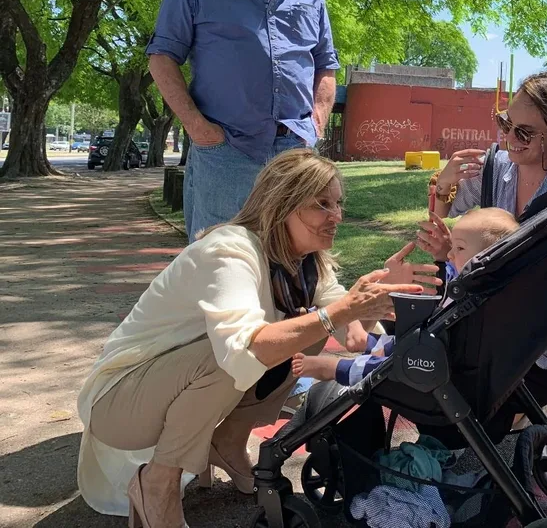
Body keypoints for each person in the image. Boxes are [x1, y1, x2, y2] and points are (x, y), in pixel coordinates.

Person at [76, 149, 440, 527]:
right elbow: (245, 347)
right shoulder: (230, 249)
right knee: (244, 347)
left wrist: (380, 295)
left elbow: (354, 336)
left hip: (168, 390)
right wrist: (340, 311)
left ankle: (229, 441)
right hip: (118, 403)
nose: (337, 216)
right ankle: (158, 482)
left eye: (338, 203)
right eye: (322, 204)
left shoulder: (308, 265)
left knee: (305, 332)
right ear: (282, 205)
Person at [146, 0, 339, 242]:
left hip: (295, 153)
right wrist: (199, 129)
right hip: (227, 151)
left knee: (295, 257)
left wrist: (316, 122)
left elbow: (325, 65)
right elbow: (161, 57)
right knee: (221, 258)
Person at [425, 70, 547, 414]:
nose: (510, 137)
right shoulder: (496, 168)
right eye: (505, 123)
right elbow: (443, 209)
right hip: (490, 329)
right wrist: (444, 183)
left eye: (524, 132)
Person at [291, 208, 519, 386]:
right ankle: (365, 341)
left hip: (434, 364)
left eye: (459, 248)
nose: (449, 253)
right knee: (403, 342)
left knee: (385, 365)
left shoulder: (477, 298)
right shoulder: (483, 288)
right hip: (432, 346)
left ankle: (333, 368)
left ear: (487, 258)